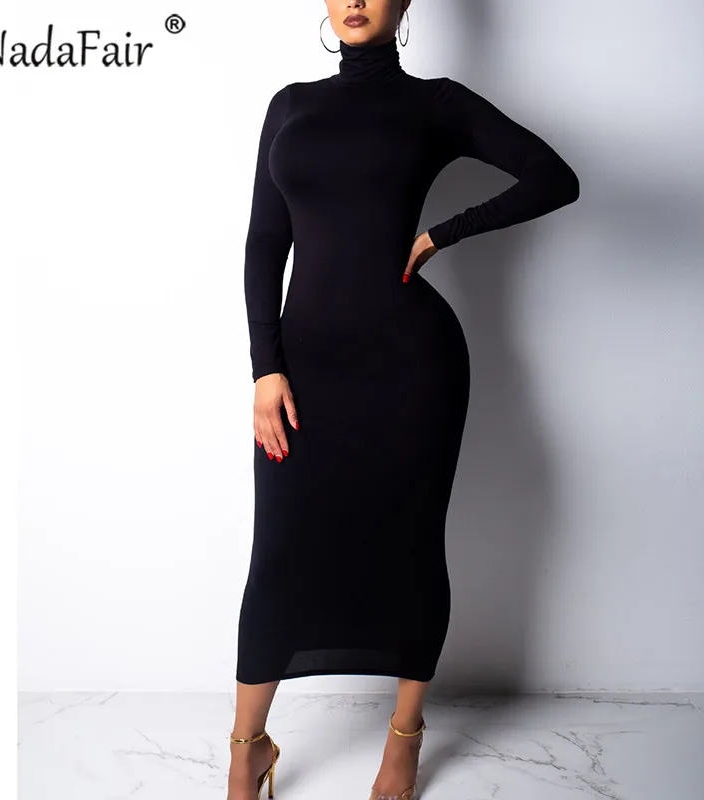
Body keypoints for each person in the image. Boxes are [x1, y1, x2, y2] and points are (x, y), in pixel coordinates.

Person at [227, 2, 580, 798]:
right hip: (303, 370)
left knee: (413, 548)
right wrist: (264, 369)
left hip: (411, 366)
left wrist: (443, 233)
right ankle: (247, 747)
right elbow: (264, 243)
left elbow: (555, 176)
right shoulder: (291, 106)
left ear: (406, 2)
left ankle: (404, 740)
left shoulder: (436, 103)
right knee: (278, 552)